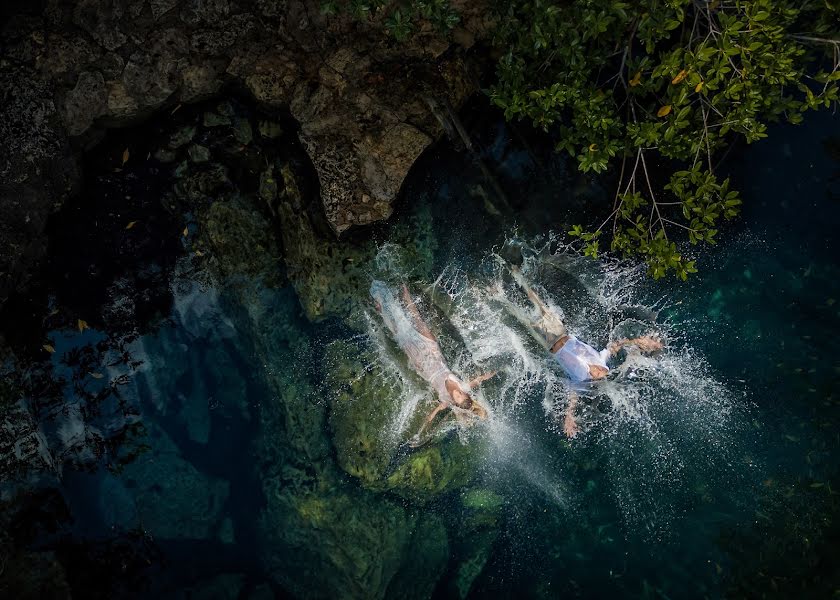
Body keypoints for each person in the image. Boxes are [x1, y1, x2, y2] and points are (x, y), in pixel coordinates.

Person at [493, 262, 663, 438]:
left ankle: (500, 293)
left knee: (525, 317)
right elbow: (615, 346)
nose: (599, 371)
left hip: (549, 345)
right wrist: (639, 341)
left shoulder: (581, 379)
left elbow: (573, 397)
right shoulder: (601, 360)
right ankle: (517, 274)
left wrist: (569, 417)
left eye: (599, 375)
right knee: (540, 305)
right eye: (602, 372)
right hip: (561, 333)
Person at [370, 280, 495, 445]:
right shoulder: (464, 387)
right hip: (434, 352)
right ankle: (405, 294)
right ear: (464, 394)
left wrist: (420, 436)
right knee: (419, 322)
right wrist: (494, 372)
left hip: (422, 363)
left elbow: (431, 416)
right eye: (459, 395)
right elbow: (480, 379)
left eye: (456, 398)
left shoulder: (445, 400)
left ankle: (382, 311)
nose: (455, 394)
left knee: (399, 334)